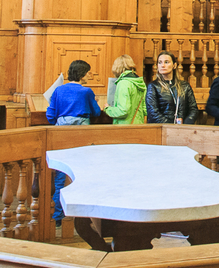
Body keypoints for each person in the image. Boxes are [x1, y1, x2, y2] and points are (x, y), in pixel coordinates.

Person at [46, 60, 100, 226]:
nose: (91, 75)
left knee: (61, 173)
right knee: (83, 171)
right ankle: (82, 216)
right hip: (82, 131)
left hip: (62, 132)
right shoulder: (86, 92)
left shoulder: (59, 90)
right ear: (83, 74)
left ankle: (57, 217)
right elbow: (96, 113)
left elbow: (50, 115)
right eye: (89, 72)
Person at [145, 51, 198, 124]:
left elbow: (193, 109)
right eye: (160, 62)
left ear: (174, 65)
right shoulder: (153, 86)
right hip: (162, 129)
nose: (162, 65)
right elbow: (153, 112)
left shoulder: (185, 86)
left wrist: (186, 124)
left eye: (166, 62)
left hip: (183, 129)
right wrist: (170, 127)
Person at [105, 55, 147, 124]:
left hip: (125, 126)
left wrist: (107, 109)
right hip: (139, 124)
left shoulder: (123, 83)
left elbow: (123, 110)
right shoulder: (140, 82)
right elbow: (144, 109)